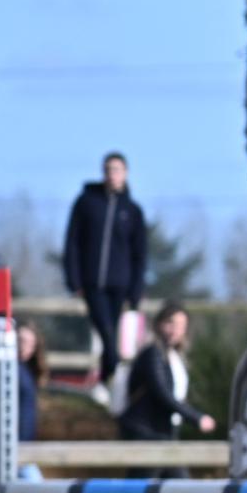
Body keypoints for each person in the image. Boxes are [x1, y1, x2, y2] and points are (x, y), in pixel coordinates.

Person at [114, 300, 220, 493]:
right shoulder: (152, 355)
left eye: (181, 325)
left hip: (161, 435)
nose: (175, 330)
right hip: (147, 435)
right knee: (135, 490)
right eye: (170, 323)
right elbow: (164, 396)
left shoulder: (170, 356)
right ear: (159, 324)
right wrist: (197, 418)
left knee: (179, 489)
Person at [60, 151, 149, 395]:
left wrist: (136, 290)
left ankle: (106, 382)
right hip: (92, 282)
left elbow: (140, 254)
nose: (113, 174)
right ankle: (111, 377)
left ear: (126, 174)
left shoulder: (132, 211)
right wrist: (73, 278)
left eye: (117, 169)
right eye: (109, 169)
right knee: (106, 332)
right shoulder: (87, 203)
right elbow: (73, 242)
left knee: (112, 332)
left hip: (120, 283)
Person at [12, 321, 45, 443]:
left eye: (30, 343)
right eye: (21, 340)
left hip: (26, 440)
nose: (23, 347)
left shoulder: (28, 368)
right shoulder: (14, 368)